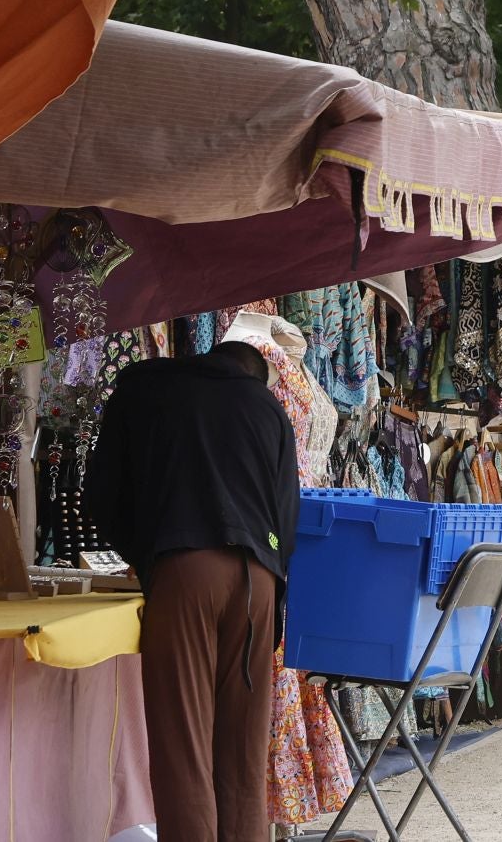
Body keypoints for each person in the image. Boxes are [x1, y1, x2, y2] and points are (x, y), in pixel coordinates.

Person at [84, 340, 298, 841]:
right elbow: (287, 519)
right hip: (259, 582)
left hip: (185, 571)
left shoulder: (145, 392)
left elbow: (102, 496)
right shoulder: (267, 408)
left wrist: (150, 557)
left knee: (185, 750)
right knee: (243, 754)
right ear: (252, 374)